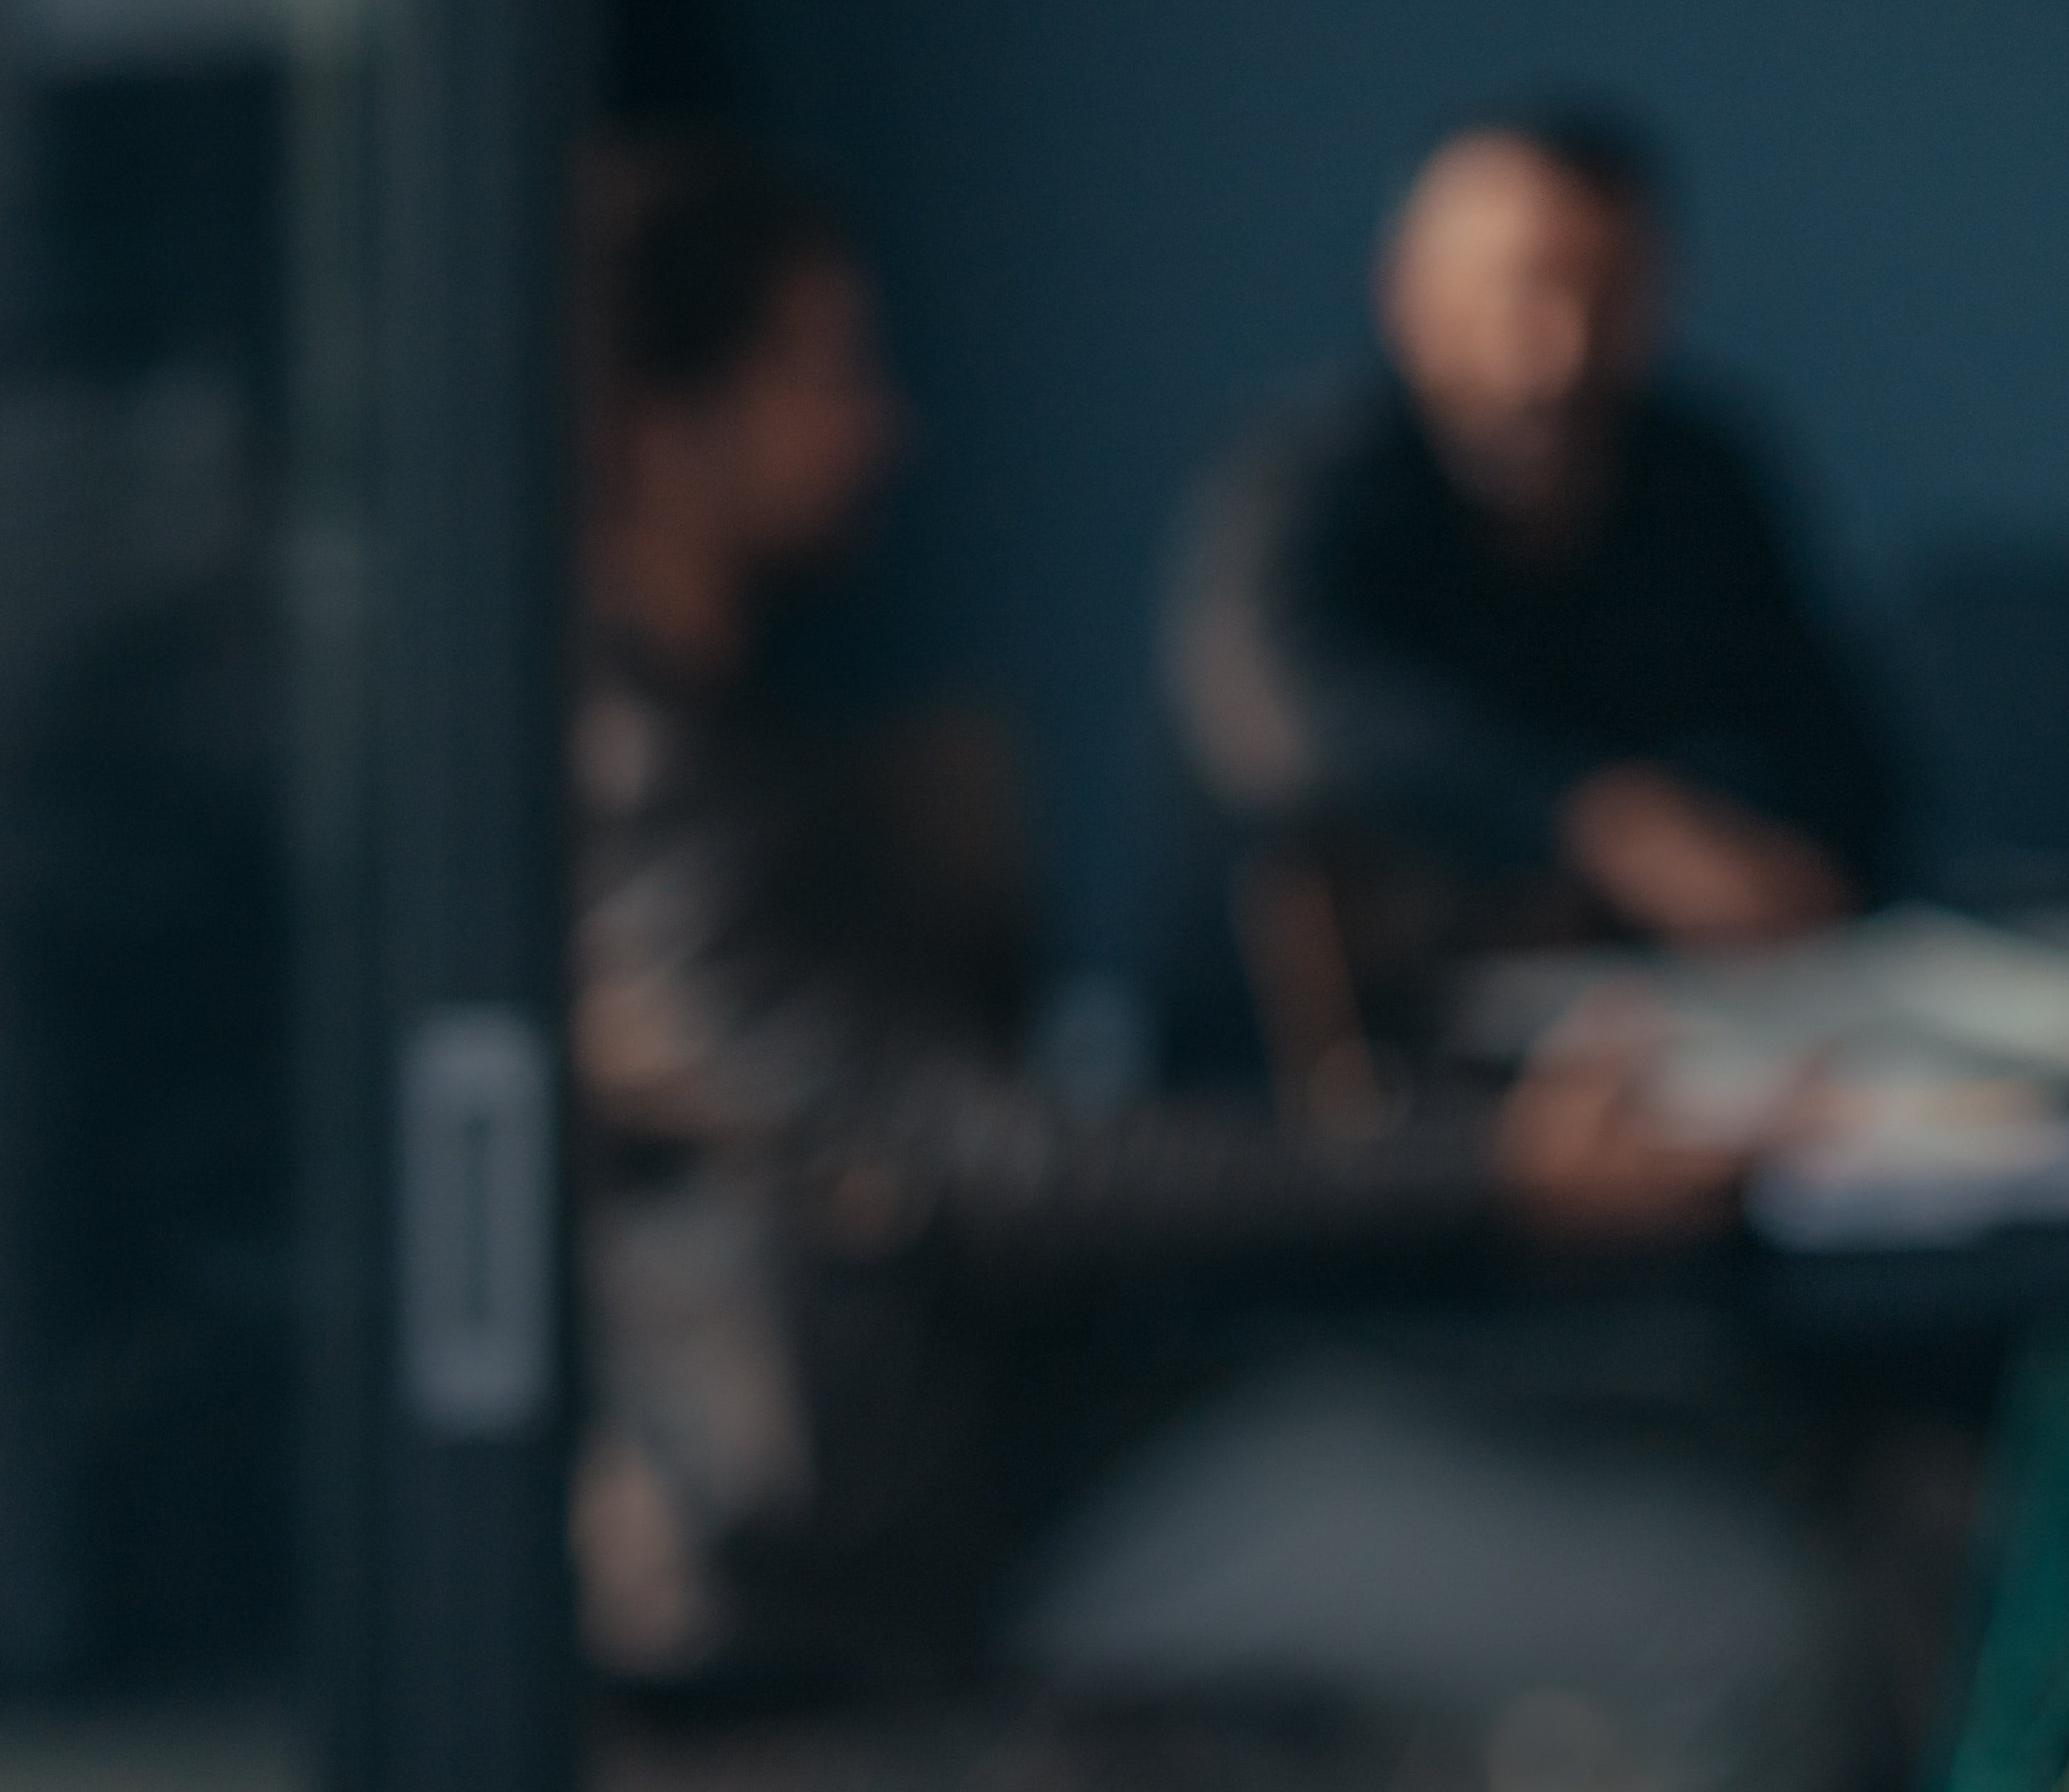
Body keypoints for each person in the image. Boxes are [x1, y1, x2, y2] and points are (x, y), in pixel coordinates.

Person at [565, 132, 1747, 1701]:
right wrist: (1497, 1159)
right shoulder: (643, 796)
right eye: (832, 371)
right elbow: (977, 1159)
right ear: (660, 426)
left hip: (1074, 1404)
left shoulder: (728, 739)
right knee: (1743, 1624)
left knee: (1715, 1410)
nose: (889, 428)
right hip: (947, 1525)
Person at [1168, 105, 1891, 1086]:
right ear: (1405, 295)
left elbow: (1844, 749)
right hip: (1306, 1097)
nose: (1561, 350)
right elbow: (1276, 726)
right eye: (1518, 291)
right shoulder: (1294, 481)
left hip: (1653, 1042)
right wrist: (1602, 824)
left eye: (1607, 293)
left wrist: (1777, 858)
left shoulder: (1698, 475)